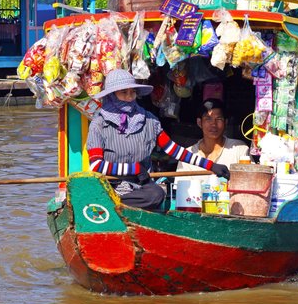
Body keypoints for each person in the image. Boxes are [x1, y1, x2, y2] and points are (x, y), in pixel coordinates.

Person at [86, 69, 230, 210]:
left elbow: (174, 150)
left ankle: (114, 207)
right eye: (124, 93)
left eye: (133, 92)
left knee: (157, 194)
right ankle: (112, 204)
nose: (130, 97)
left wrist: (210, 166)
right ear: (112, 95)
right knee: (97, 196)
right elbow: (96, 165)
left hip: (141, 189)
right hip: (110, 187)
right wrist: (134, 168)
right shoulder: (98, 124)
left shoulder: (149, 120)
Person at [176, 98, 249, 177]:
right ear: (199, 122)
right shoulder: (188, 155)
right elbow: (181, 187)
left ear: (226, 122)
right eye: (208, 119)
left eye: (219, 119)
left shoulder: (239, 149)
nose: (213, 124)